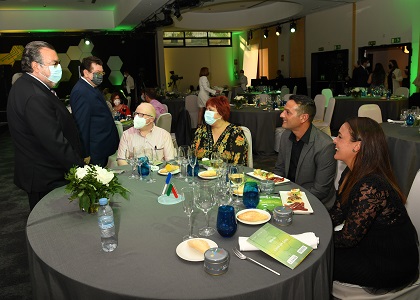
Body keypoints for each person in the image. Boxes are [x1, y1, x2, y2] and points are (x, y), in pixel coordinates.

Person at [330, 117, 418, 293]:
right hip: (369, 245)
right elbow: (338, 212)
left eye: (340, 137)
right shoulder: (350, 172)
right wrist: (316, 227)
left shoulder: (371, 186)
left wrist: (315, 240)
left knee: (317, 259)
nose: (334, 140)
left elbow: (348, 239)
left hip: (389, 262)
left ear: (358, 146)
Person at [7, 41, 84, 210]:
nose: (59, 67)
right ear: (36, 66)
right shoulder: (34, 95)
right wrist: (81, 170)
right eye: (54, 63)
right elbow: (54, 141)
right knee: (53, 228)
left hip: (42, 172)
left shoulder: (26, 85)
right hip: (47, 177)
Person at [273, 94, 336, 209]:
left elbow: (320, 190)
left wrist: (289, 199)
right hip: (287, 196)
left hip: (315, 203)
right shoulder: (286, 135)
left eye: (288, 112)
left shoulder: (325, 146)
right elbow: (280, 169)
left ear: (303, 118)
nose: (282, 115)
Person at [70, 56, 119, 167]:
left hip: (102, 147)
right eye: (97, 72)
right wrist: (85, 153)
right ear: (86, 73)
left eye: (102, 73)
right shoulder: (81, 91)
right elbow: (82, 124)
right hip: (94, 150)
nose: (100, 76)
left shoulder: (92, 87)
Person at [191, 95, 248, 165]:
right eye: (206, 109)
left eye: (211, 110)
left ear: (221, 113)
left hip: (226, 174)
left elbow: (239, 164)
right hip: (201, 174)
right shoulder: (201, 130)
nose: (206, 112)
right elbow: (192, 157)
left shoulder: (236, 133)